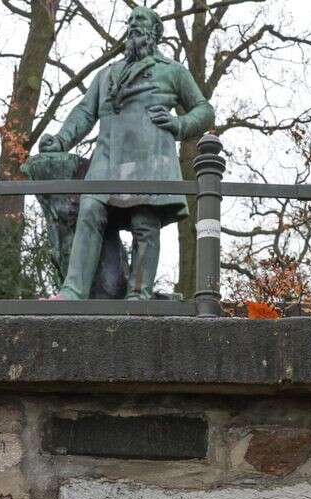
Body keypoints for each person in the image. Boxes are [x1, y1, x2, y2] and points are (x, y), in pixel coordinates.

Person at [40, 6, 215, 300]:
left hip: (150, 158)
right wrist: (60, 141)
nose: (133, 25)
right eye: (130, 20)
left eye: (141, 20)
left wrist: (179, 124)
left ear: (155, 32)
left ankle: (139, 295)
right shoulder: (106, 74)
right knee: (90, 210)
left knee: (144, 223)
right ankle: (72, 291)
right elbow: (85, 112)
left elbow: (204, 109)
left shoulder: (172, 71)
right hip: (107, 160)